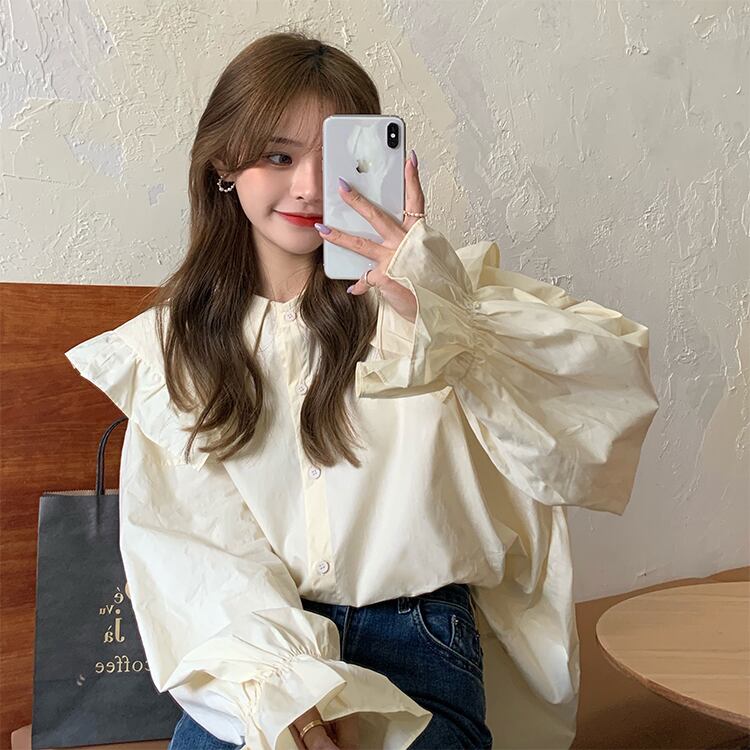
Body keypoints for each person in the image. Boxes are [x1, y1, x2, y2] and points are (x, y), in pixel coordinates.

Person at [64, 29, 660, 750]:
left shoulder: (439, 306)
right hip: (259, 651)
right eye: (279, 156)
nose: (311, 186)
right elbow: (197, 553)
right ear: (224, 162)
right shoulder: (178, 349)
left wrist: (442, 314)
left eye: (337, 157)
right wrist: (293, 698)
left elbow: (603, 406)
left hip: (423, 642)